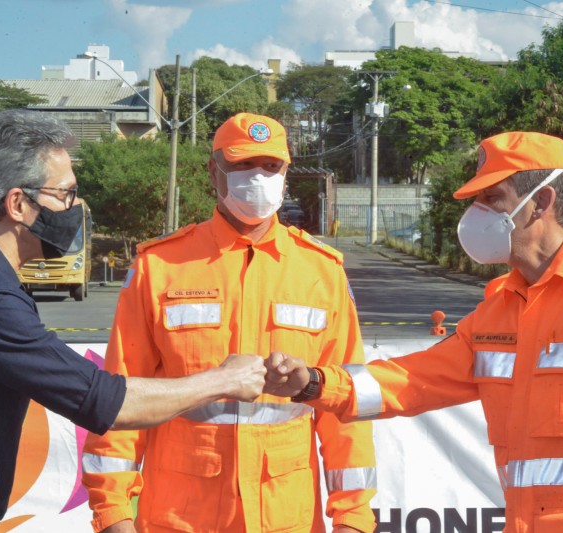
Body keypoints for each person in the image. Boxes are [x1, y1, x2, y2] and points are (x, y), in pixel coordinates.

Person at [0, 109, 267, 533]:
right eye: (65, 194)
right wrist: (224, 379)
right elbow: (107, 402)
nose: (73, 208)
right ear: (18, 204)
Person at [266, 131, 563, 531]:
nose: (477, 213)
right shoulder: (501, 306)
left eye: (492, 198)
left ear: (541, 202)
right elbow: (413, 380)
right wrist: (314, 384)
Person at [82, 113, 377, 533]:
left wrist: (353, 518)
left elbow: (345, 404)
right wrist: (113, 514)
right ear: (213, 172)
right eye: (242, 165)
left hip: (284, 517)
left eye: (270, 166)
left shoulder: (321, 271)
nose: (258, 177)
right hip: (179, 518)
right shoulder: (160, 266)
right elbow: (120, 399)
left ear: (286, 173)